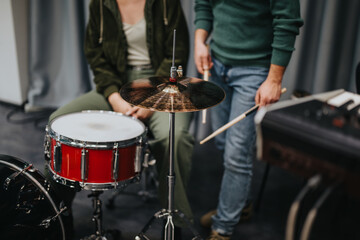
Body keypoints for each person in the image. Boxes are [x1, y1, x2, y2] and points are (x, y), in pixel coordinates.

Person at [47, 0, 193, 238]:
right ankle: (58, 214)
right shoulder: (100, 4)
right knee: (58, 121)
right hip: (117, 84)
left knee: (175, 137)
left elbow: (177, 55)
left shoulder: (167, 3)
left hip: (160, 86)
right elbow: (96, 57)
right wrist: (114, 97)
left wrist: (152, 101)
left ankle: (175, 222)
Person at [194, 0, 303, 239]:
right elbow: (203, 3)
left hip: (253, 71)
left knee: (236, 153)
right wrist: (200, 40)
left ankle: (223, 226)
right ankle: (241, 205)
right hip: (217, 63)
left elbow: (287, 22)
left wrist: (273, 80)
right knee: (222, 142)